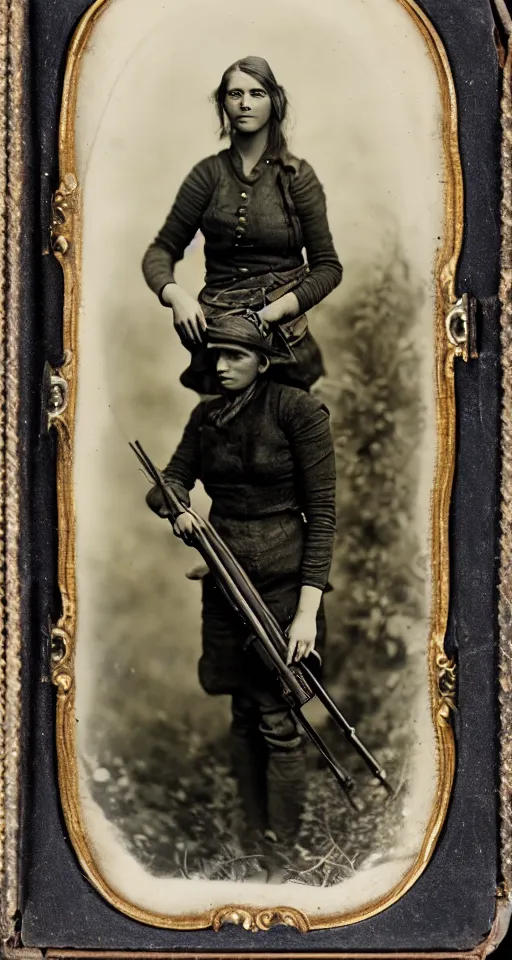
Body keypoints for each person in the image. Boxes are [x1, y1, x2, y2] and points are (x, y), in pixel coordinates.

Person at [145, 314, 337, 877]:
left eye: (234, 356)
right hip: (226, 583)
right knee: (243, 711)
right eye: (216, 356)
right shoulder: (205, 418)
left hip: (283, 588)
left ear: (264, 360)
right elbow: (170, 479)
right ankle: (254, 838)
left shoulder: (298, 412)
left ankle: (284, 855)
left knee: (280, 718)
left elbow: (322, 517)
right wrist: (176, 505)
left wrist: (307, 613)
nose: (221, 366)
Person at [142, 55, 342, 395]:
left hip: (285, 337)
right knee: (222, 441)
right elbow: (160, 251)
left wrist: (274, 312)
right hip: (219, 337)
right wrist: (175, 295)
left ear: (274, 101)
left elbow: (328, 267)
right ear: (223, 103)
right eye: (235, 94)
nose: (245, 103)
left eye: (257, 93)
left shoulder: (297, 177)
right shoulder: (208, 175)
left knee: (291, 434)